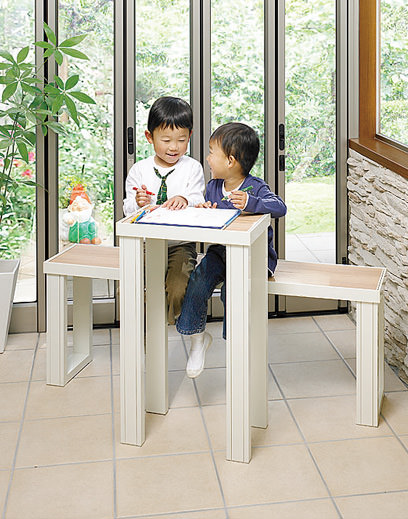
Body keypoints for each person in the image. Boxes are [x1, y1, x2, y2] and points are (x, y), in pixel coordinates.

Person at [176, 122, 287, 377]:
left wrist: (252, 203)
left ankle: (235, 343)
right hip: (221, 252)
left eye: (211, 152)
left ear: (230, 160)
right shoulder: (213, 186)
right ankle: (196, 339)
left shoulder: (255, 187)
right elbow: (211, 217)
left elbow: (279, 207)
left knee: (233, 290)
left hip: (254, 257)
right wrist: (204, 210)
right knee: (198, 280)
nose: (207, 158)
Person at [123, 96, 205, 323]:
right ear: (149, 137)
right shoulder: (139, 170)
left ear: (190, 136)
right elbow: (127, 210)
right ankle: (144, 330)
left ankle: (166, 324)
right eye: (166, 139)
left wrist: (185, 199)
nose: (174, 147)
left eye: (181, 140)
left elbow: (198, 199)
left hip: (180, 245)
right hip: (145, 245)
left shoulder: (192, 168)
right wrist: (138, 203)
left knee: (178, 288)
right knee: (128, 289)